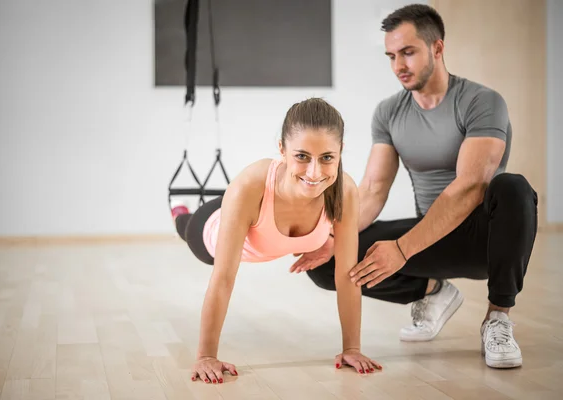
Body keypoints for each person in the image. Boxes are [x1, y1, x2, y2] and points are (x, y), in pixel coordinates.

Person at [293, 4, 538, 369]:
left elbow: (471, 186)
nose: (398, 66)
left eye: (408, 52)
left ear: (437, 48)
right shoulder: (389, 112)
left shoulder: (481, 102)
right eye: (391, 56)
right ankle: (434, 292)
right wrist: (331, 238)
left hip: (485, 241)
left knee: (513, 187)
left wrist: (403, 250)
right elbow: (374, 188)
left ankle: (498, 317)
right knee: (327, 262)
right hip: (431, 236)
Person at [172, 98, 383, 384]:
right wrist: (206, 356)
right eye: (302, 156)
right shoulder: (250, 183)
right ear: (282, 149)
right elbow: (223, 279)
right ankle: (180, 213)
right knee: (186, 226)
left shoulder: (344, 190)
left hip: (253, 217)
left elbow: (346, 276)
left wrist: (352, 349)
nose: (314, 172)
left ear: (341, 151)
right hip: (210, 230)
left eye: (327, 158)